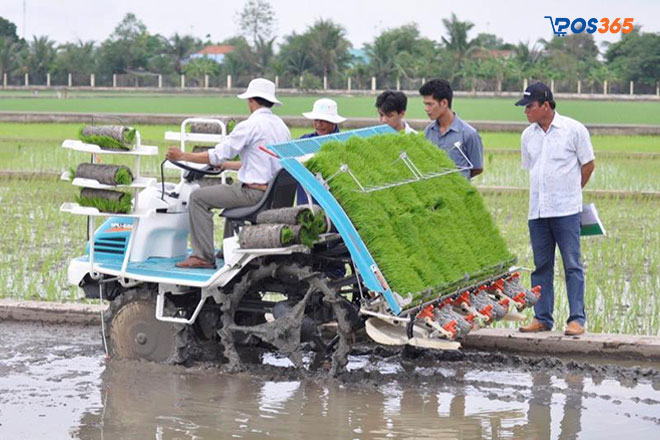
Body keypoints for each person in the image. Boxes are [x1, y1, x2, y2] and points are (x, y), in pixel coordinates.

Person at [166, 78, 291, 269]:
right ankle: (226, 251)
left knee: (198, 198)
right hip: (272, 194)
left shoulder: (250, 125)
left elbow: (215, 155)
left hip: (254, 194)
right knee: (230, 190)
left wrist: (183, 155)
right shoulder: (281, 127)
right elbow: (262, 164)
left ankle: (202, 256)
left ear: (251, 101)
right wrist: (227, 165)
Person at [515, 82, 595, 336]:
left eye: (530, 106)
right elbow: (532, 169)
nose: (526, 111)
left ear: (546, 106)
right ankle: (542, 318)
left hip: (566, 211)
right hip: (537, 212)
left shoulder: (574, 130)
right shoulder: (528, 135)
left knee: (572, 265)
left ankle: (577, 320)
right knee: (541, 266)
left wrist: (571, 192)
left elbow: (588, 165)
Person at [418, 79, 483, 179]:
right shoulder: (428, 132)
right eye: (425, 104)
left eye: (430, 104)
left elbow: (477, 168)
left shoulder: (469, 134)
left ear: (444, 103)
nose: (426, 109)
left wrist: (456, 180)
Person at [297, 98, 346, 204]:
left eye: (323, 120)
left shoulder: (342, 143)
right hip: (306, 200)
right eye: (316, 120)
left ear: (333, 122)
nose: (319, 124)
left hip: (333, 201)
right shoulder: (304, 141)